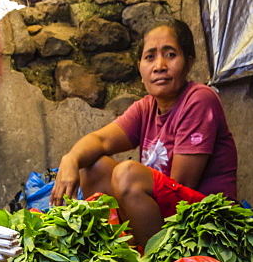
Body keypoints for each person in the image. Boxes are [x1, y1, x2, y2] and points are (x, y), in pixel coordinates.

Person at [50, 19, 237, 247]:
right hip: (166, 220)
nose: (159, 65)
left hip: (206, 225)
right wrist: (70, 159)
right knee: (93, 168)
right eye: (150, 57)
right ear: (140, 69)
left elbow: (179, 189)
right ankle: (129, 252)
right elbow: (100, 140)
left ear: (188, 64)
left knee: (127, 174)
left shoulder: (199, 99)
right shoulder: (146, 107)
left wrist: (128, 183)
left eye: (170, 55)